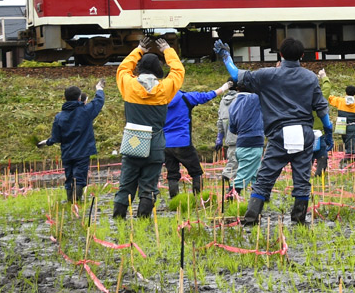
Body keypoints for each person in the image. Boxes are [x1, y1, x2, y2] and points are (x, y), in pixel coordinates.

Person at [214, 37, 332, 227]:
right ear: (302, 56)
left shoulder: (267, 75)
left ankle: (251, 219)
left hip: (279, 134)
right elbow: (322, 109)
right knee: (302, 178)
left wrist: (226, 56)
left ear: (280, 55)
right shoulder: (310, 77)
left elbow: (236, 75)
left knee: (265, 178)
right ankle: (299, 220)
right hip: (304, 134)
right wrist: (329, 133)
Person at [114, 37, 186, 218]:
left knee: (126, 185)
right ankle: (143, 221)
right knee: (149, 187)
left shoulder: (129, 86)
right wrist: (168, 50)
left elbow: (123, 68)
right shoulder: (164, 89)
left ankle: (118, 220)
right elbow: (178, 71)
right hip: (155, 144)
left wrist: (138, 50)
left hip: (133, 141)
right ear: (157, 70)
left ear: (140, 68)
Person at [38, 79, 106, 202]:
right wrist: (99, 89)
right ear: (80, 98)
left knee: (69, 178)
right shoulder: (86, 111)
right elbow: (98, 101)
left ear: (65, 99)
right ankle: (76, 202)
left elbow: (56, 138)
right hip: (82, 152)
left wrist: (46, 142)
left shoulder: (59, 117)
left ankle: (70, 201)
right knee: (80, 178)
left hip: (67, 153)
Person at [163, 80, 233, 199]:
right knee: (197, 172)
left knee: (172, 174)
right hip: (183, 142)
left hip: (165, 144)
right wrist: (224, 87)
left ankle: (174, 200)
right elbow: (206, 96)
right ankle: (198, 198)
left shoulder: (158, 101)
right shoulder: (185, 98)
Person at [227, 87, 265, 193]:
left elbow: (232, 128)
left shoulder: (233, 104)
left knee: (255, 176)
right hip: (252, 144)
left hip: (241, 144)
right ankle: (229, 198)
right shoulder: (254, 99)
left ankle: (256, 202)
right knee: (241, 179)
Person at [215, 86, 240, 195]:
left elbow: (220, 121)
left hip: (229, 137)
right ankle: (229, 183)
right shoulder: (240, 98)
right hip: (242, 136)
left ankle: (231, 188)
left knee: (233, 160)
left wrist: (219, 137)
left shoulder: (223, 101)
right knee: (236, 163)